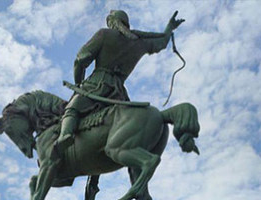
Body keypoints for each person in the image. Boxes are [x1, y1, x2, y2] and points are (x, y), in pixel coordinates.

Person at [54, 9, 184, 157]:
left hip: (96, 86)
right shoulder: (140, 43)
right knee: (118, 133)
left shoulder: (104, 34)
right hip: (118, 95)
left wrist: (78, 85)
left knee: (72, 109)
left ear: (112, 22)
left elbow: (80, 60)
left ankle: (65, 136)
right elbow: (161, 42)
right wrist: (169, 28)